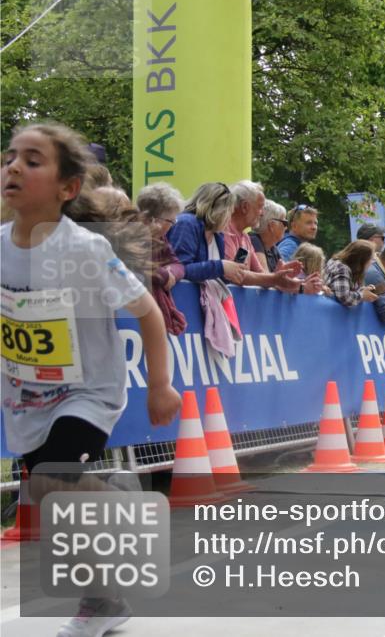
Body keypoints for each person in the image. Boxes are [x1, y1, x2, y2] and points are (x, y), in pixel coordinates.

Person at [2, 122, 181, 637]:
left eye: (33, 161)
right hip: (25, 399)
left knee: (56, 481)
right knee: (52, 499)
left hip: (88, 392)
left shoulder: (82, 250)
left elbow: (148, 313)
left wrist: (160, 384)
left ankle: (118, 500)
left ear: (68, 188)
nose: (14, 166)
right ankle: (104, 601)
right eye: (10, 156)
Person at [224, 180, 303, 292]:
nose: (262, 213)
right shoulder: (225, 231)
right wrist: (276, 278)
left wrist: (278, 276)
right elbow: (235, 275)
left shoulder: (244, 238)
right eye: (260, 207)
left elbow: (260, 274)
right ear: (245, 207)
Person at [167, 182, 247, 285]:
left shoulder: (217, 235)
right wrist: (221, 267)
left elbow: (211, 276)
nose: (229, 219)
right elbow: (180, 269)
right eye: (229, 213)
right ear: (220, 210)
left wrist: (229, 273)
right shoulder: (186, 224)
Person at [135, 182, 187, 335]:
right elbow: (134, 263)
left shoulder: (160, 237)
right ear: (155, 219)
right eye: (171, 221)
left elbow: (178, 264)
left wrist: (170, 272)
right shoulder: (131, 232)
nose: (172, 226)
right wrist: (164, 275)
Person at [323, 240, 380, 307]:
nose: (372, 262)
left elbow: (347, 289)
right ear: (361, 260)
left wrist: (363, 290)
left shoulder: (344, 265)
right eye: (371, 259)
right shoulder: (342, 268)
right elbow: (344, 297)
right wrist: (362, 295)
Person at [249, 199, 287, 273]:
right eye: (285, 223)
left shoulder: (272, 247)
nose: (286, 227)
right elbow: (264, 278)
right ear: (272, 225)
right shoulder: (254, 241)